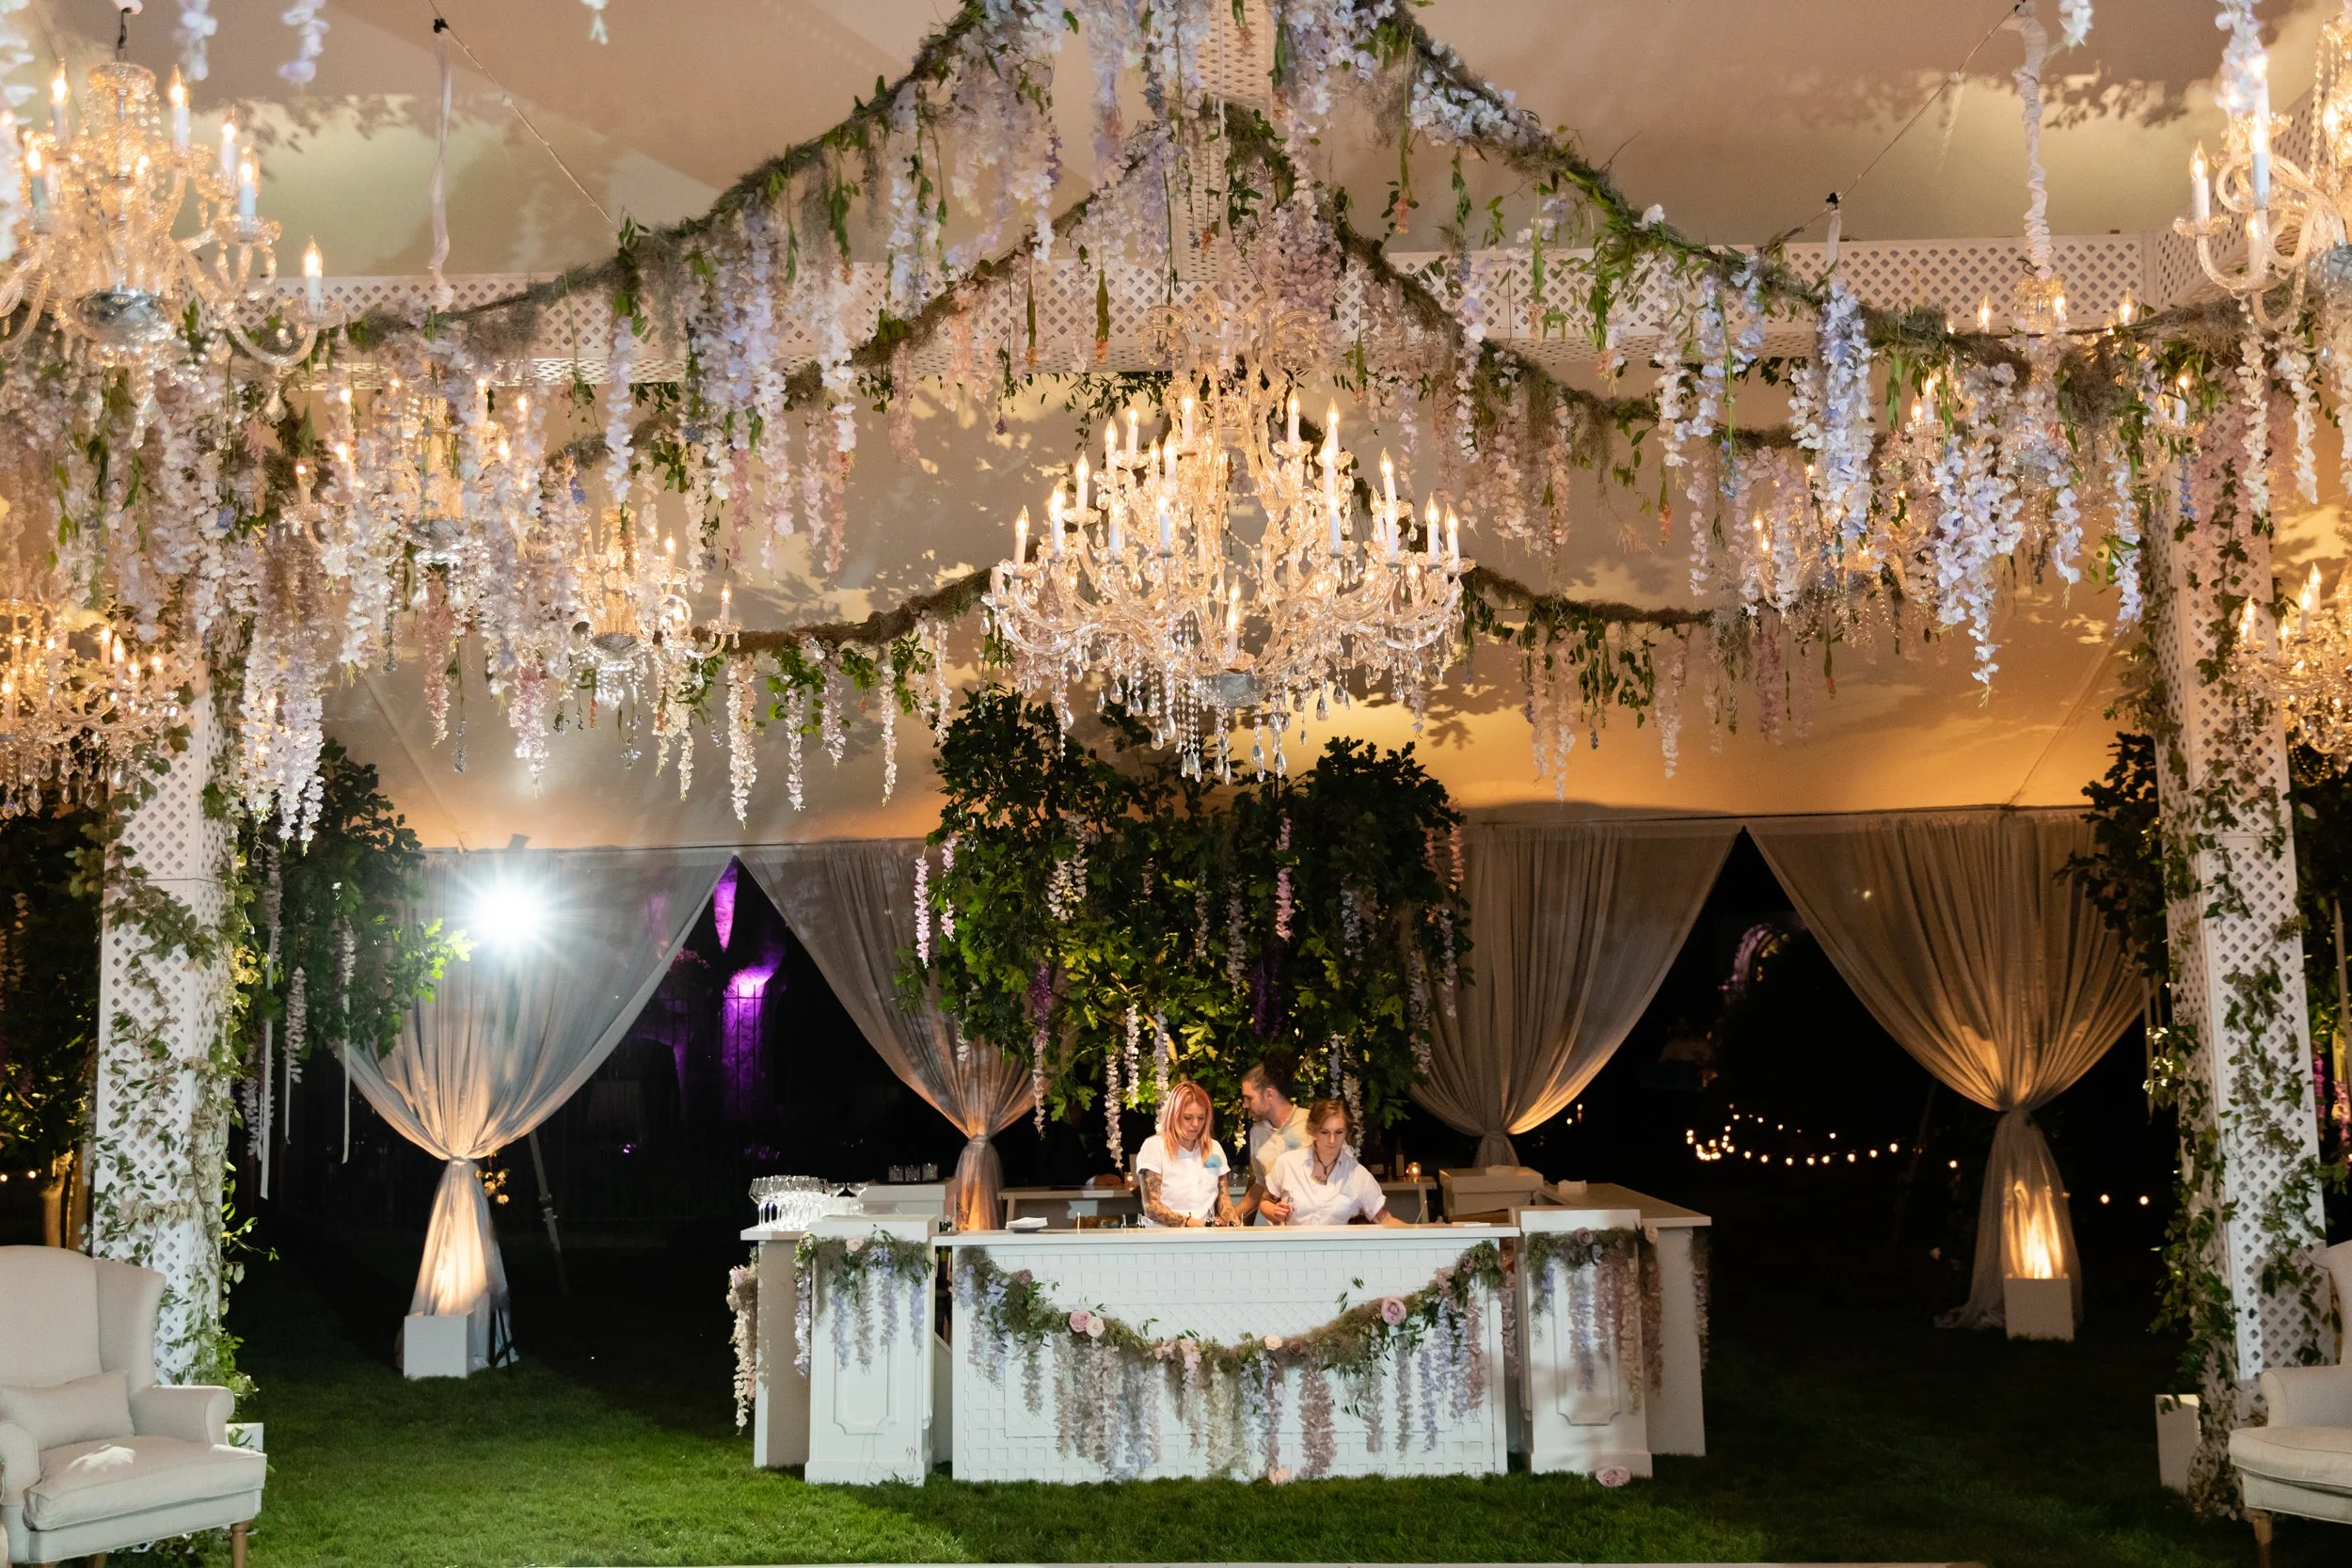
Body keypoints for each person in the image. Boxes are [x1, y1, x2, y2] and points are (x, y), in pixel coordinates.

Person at [1266, 1099, 1407, 1227]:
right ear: (1314, 1131)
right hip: (1293, 1251)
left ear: (1347, 1132)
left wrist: (1420, 1232)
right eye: (1325, 1132)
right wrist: (1274, 1212)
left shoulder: (1357, 1175)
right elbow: (1265, 1202)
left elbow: (1385, 1219)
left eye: (1339, 1132)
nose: (1332, 1140)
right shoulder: (1288, 1163)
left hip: (1338, 1252)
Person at [1133, 1079, 1240, 1227]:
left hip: (1205, 1236)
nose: (1195, 1124)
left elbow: (1224, 1199)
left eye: (1201, 1118)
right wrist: (1187, 1222)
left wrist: (1232, 1221)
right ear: (1173, 1115)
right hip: (1163, 1238)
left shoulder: (1214, 1148)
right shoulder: (1154, 1147)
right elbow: (1152, 1207)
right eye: (1188, 1118)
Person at [1238, 1056, 1311, 1223]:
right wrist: (1231, 1217)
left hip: (1314, 1227)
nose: (1245, 1105)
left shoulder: (1311, 1123)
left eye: (1249, 1098)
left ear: (1269, 1094)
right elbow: (1261, 1185)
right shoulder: (1257, 1133)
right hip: (1279, 1230)